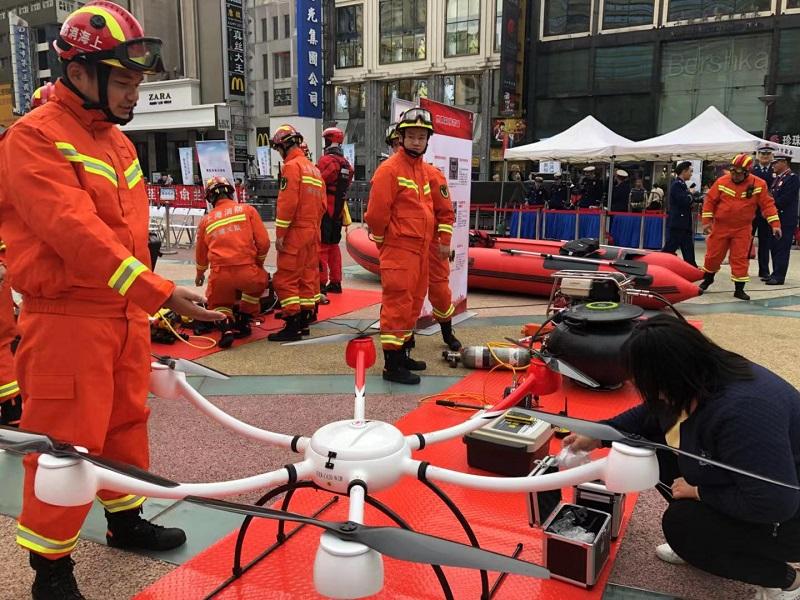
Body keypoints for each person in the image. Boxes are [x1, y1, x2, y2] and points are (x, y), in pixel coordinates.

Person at [0, 2, 223, 597]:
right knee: (64, 446)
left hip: (121, 315)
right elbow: (75, 234)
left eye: (136, 83)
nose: (133, 94)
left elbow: (123, 236)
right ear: (78, 73)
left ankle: (126, 520)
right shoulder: (34, 137)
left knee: (126, 423)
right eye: (123, 81)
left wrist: (147, 298)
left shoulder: (117, 144)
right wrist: (159, 292)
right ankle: (50, 568)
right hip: (67, 320)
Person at [564, 314, 800, 600]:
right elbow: (651, 414)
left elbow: (775, 503)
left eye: (644, 383)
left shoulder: (744, 412)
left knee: (682, 526)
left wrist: (699, 492)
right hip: (757, 483)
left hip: (786, 512)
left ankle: (786, 581)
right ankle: (707, 543)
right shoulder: (699, 378)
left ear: (670, 375)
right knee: (649, 455)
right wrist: (600, 433)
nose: (640, 389)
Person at [365, 108, 435, 385]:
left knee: (412, 304)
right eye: (412, 136)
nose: (416, 142)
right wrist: (384, 242)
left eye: (421, 137)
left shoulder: (421, 171)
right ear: (401, 138)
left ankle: (403, 354)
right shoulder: (390, 169)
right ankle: (392, 366)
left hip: (419, 250)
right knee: (397, 304)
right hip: (400, 249)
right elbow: (375, 215)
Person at [385, 123, 461, 352]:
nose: (397, 148)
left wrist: (444, 243)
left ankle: (447, 332)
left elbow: (446, 213)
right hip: (406, 244)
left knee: (440, 290)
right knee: (404, 294)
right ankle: (406, 341)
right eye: (394, 145)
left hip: (432, 245)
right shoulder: (391, 171)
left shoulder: (432, 174)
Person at [194, 176, 270, 348]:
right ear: (230, 193)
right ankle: (244, 319)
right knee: (259, 282)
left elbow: (201, 254)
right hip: (248, 271)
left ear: (210, 198)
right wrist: (258, 263)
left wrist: (200, 274)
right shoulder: (247, 210)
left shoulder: (206, 221)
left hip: (220, 275)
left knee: (218, 302)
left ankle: (226, 328)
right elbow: (264, 242)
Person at [267, 124, 326, 342]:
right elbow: (323, 205)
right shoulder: (314, 169)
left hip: (296, 232)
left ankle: (292, 324)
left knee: (286, 278)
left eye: (278, 149)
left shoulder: (291, 167)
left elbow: (287, 203)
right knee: (307, 276)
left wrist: (281, 234)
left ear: (283, 146)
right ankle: (304, 320)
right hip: (313, 231)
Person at [700, 154, 781, 300]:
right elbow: (709, 201)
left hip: (742, 228)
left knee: (740, 258)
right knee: (713, 256)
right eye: (733, 172)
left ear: (747, 172)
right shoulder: (722, 181)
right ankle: (707, 280)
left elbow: (768, 205)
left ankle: (739, 289)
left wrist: (775, 225)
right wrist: (706, 222)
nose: (735, 176)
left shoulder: (759, 184)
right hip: (720, 227)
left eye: (739, 173)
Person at [317, 126, 354, 295]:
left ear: (329, 141)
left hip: (325, 209)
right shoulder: (346, 163)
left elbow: (318, 180)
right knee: (334, 246)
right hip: (338, 210)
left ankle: (320, 283)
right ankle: (336, 282)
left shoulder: (326, 161)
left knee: (322, 247)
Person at [764, 153, 799, 285]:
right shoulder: (778, 178)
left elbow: (786, 198)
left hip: (785, 219)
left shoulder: (792, 178)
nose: (773, 165)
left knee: (782, 248)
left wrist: (770, 206)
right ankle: (774, 273)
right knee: (774, 246)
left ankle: (779, 276)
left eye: (776, 163)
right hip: (776, 217)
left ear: (784, 163)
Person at [662, 161, 698, 267]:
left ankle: (692, 268)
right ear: (684, 171)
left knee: (688, 249)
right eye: (690, 171)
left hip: (684, 224)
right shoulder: (677, 185)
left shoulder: (682, 185)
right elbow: (684, 201)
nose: (691, 174)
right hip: (678, 223)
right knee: (670, 248)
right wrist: (690, 194)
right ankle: (660, 265)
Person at [752, 146, 777, 279]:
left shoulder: (775, 171)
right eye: (762, 154)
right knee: (745, 241)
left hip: (765, 211)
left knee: (765, 242)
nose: (765, 156)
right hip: (752, 211)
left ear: (771, 156)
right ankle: (741, 269)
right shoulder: (752, 171)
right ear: (758, 155)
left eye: (768, 154)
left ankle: (764, 270)